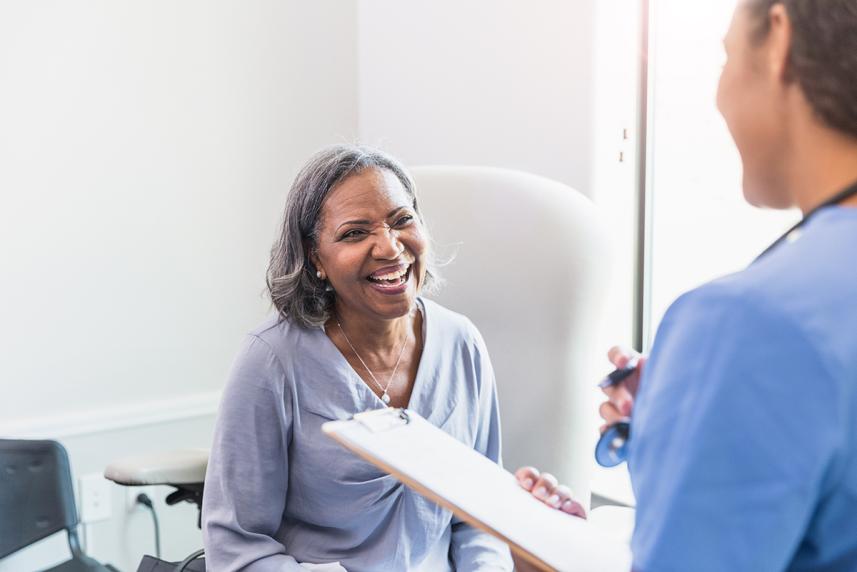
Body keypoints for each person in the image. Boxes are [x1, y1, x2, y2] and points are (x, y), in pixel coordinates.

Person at [517, 0, 857, 570]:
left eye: (726, 56)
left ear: (779, 40)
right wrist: (689, 430)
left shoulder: (746, 324)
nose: (719, 97)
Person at [202, 145, 513, 571]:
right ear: (315, 258)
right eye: (354, 233)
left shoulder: (462, 343)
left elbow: (481, 516)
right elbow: (236, 548)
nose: (389, 247)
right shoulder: (271, 360)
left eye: (402, 220)